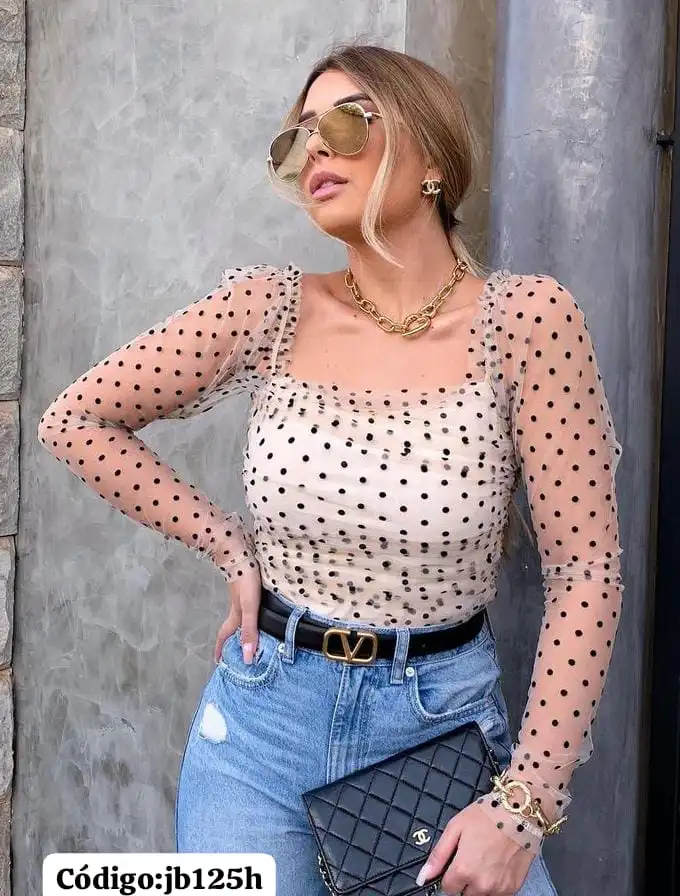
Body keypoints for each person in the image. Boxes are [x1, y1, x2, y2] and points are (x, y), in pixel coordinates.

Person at [37, 43, 623, 896]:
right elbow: (76, 419)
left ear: (431, 153)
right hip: (260, 732)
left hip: (439, 732)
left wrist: (525, 803)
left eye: (345, 123)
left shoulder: (527, 322)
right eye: (295, 139)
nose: (312, 148)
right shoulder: (268, 307)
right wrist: (228, 545)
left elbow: (586, 570)